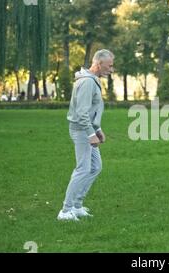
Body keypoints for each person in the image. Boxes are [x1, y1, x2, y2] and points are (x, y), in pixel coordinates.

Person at [57, 49, 115, 221]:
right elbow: (82, 113)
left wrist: (97, 129)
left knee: (95, 167)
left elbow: (91, 110)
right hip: (81, 130)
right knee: (83, 169)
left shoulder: (92, 80)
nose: (111, 70)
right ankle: (66, 211)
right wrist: (91, 134)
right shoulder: (88, 82)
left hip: (87, 129)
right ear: (98, 63)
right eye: (109, 66)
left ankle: (77, 205)